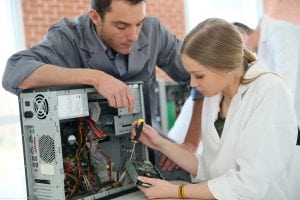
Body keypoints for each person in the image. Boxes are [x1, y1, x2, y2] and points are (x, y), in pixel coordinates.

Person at [1, 0, 202, 178]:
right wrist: (94, 77)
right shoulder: (69, 37)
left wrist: (190, 144)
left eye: (138, 24)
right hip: (86, 156)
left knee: (195, 175)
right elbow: (14, 72)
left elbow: (201, 80)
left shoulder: (154, 31)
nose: (133, 35)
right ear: (95, 17)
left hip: (146, 145)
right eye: (121, 26)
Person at [131, 18, 298, 199]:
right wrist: (160, 144)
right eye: (190, 76)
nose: (193, 84)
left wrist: (175, 191)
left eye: (199, 76)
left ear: (226, 66)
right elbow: (208, 168)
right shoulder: (214, 96)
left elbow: (249, 185)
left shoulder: (269, 91)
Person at [233, 16, 300, 143]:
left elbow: (284, 86)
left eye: (239, 49)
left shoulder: (278, 32)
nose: (242, 56)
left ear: (242, 36)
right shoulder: (260, 52)